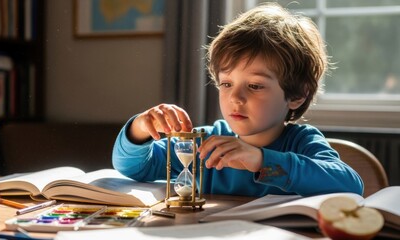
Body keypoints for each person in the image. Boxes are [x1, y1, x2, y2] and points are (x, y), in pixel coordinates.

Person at [112, 3, 363, 197]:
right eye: (226, 84)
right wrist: (141, 128)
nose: (235, 97)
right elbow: (132, 167)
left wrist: (262, 161)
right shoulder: (206, 143)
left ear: (297, 95)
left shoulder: (302, 142)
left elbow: (350, 184)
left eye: (254, 86)